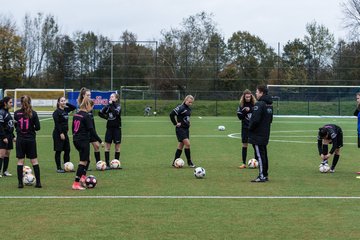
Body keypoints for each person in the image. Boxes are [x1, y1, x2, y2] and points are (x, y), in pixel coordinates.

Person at [14, 95, 41, 188]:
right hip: (30, 140)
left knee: (20, 161)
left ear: (20, 103)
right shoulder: (33, 113)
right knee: (34, 161)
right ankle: (38, 183)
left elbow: (16, 126)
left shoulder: (16, 113)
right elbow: (38, 128)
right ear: (30, 102)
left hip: (20, 139)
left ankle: (20, 183)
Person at [248, 85, 273, 183]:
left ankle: (262, 175)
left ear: (262, 93)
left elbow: (255, 120)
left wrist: (250, 128)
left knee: (259, 155)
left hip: (258, 135)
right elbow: (270, 120)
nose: (256, 94)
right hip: (265, 134)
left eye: (257, 92)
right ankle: (265, 174)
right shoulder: (269, 105)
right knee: (263, 155)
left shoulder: (259, 104)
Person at [71, 98, 96, 190]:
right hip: (83, 140)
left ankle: (83, 178)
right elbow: (91, 130)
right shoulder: (86, 116)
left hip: (76, 140)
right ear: (88, 105)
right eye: (92, 106)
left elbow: (73, 128)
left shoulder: (76, 114)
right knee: (83, 161)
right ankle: (76, 183)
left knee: (87, 158)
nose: (92, 109)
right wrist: (100, 140)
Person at [77, 87, 103, 170]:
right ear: (83, 95)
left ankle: (98, 164)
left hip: (91, 129)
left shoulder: (90, 103)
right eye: (88, 95)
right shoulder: (82, 105)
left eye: (90, 95)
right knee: (86, 150)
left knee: (96, 146)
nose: (89, 96)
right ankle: (85, 165)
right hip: (85, 131)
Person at [169, 95, 196, 168]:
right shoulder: (181, 107)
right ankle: (189, 162)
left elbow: (186, 118)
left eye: (191, 103)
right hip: (180, 129)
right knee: (188, 144)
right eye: (189, 102)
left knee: (181, 145)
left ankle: (174, 161)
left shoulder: (189, 109)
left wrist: (188, 122)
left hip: (186, 129)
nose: (190, 103)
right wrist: (175, 123)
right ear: (185, 100)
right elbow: (171, 114)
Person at [52, 96, 76, 173]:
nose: (63, 102)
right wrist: (61, 133)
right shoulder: (56, 112)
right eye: (61, 101)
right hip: (58, 133)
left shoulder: (66, 110)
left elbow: (74, 107)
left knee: (67, 150)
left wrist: (66, 103)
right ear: (58, 102)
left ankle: (67, 166)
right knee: (58, 151)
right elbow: (57, 124)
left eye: (64, 101)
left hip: (65, 133)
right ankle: (58, 168)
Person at [99, 93, 122, 169]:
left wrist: (111, 105)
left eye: (112, 97)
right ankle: (108, 164)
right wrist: (106, 117)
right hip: (109, 129)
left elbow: (116, 113)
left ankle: (117, 164)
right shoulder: (108, 106)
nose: (110, 98)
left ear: (116, 99)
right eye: (110, 97)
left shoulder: (118, 106)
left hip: (117, 129)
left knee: (117, 147)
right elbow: (100, 113)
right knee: (107, 147)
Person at [237, 89, 256, 169]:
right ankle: (244, 163)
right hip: (245, 128)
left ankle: (257, 161)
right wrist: (245, 111)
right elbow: (240, 117)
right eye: (246, 97)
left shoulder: (255, 105)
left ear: (251, 96)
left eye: (249, 97)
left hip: (254, 128)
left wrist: (250, 110)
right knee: (245, 144)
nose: (248, 98)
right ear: (244, 97)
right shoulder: (241, 106)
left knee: (255, 145)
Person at [0, 97, 15, 177]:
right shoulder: (1, 112)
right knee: (1, 154)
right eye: (10, 102)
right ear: (5, 103)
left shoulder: (7, 112)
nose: (11, 104)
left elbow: (10, 125)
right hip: (3, 136)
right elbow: (0, 126)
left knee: (7, 154)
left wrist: (13, 136)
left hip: (9, 136)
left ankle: (5, 171)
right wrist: (3, 137)